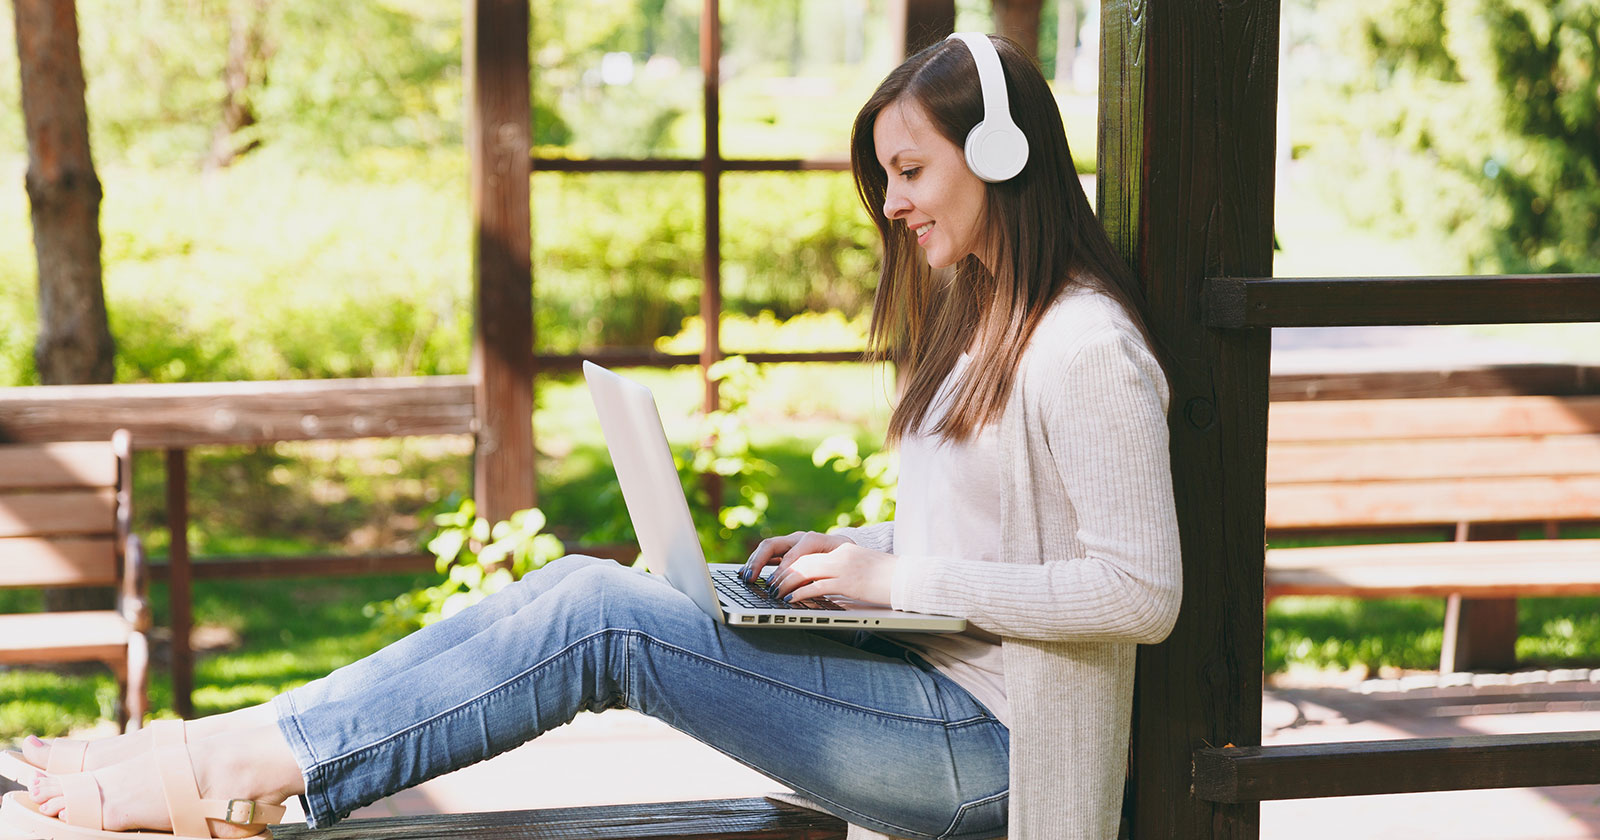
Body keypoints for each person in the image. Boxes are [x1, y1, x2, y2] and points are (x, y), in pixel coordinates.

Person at [1, 33, 1179, 840]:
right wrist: (848, 554)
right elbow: (1004, 533)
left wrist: (899, 574)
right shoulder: (987, 325)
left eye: (910, 170)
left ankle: (234, 771)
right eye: (887, 178)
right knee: (579, 582)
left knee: (600, 620)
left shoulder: (1086, 345)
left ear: (1003, 152)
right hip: (930, 692)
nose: (896, 203)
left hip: (998, 756)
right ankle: (240, 748)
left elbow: (1139, 593)